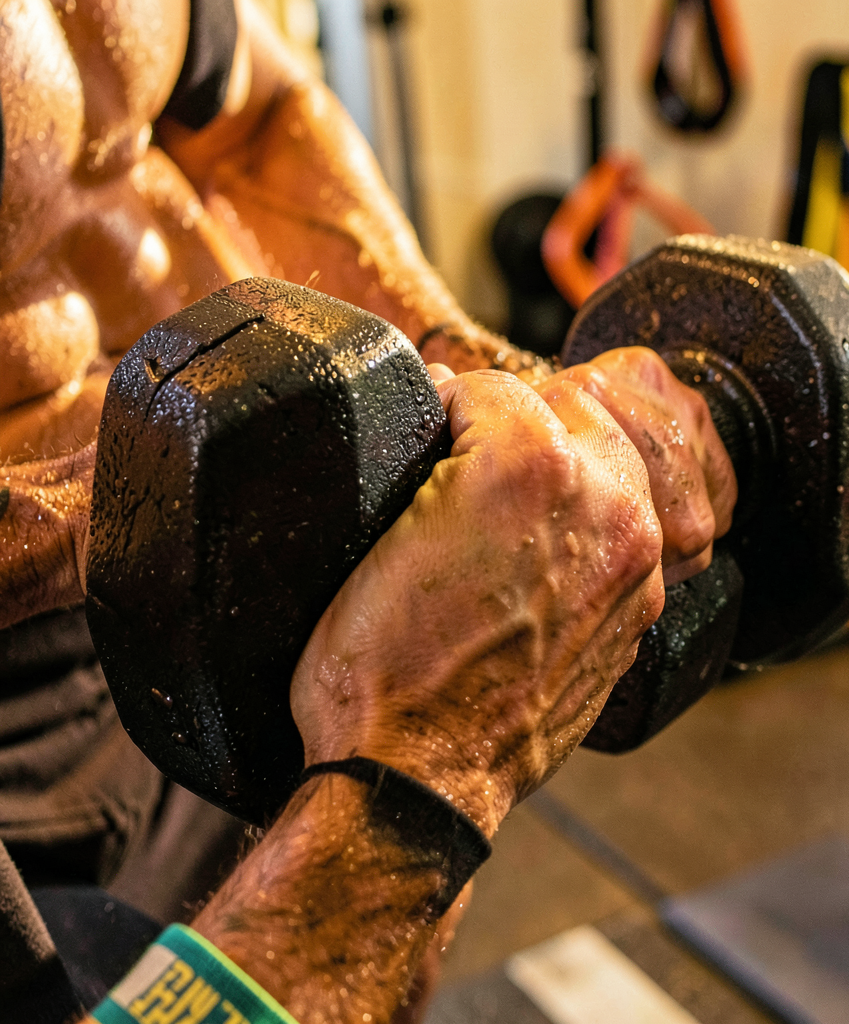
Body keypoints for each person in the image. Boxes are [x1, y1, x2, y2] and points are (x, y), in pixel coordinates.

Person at [0, 0, 737, 1020]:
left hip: (197, 569)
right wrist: (85, 516)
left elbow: (258, 119)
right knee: (406, 785)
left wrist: (471, 371)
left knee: (379, 920)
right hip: (26, 664)